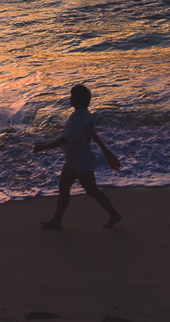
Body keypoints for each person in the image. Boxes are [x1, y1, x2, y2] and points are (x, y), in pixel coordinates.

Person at [32, 83, 123, 228]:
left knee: (92, 191)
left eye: (72, 96)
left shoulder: (79, 118)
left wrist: (42, 147)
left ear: (79, 100)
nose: (70, 99)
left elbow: (65, 140)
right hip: (76, 159)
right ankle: (56, 220)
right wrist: (104, 149)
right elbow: (92, 133)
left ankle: (114, 215)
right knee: (65, 186)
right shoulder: (85, 114)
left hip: (80, 161)